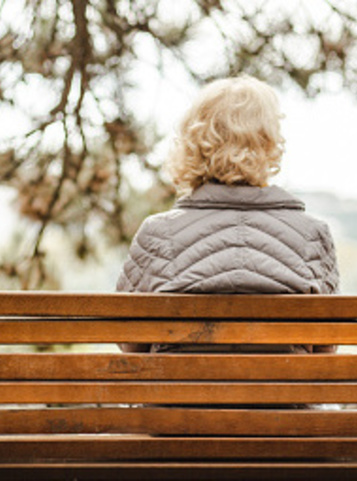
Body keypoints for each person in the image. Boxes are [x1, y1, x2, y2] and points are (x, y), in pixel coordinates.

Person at [116, 75, 338, 355]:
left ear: (193, 142)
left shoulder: (158, 234)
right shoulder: (312, 235)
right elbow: (326, 347)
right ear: (269, 143)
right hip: (283, 399)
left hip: (177, 399)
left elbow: (130, 343)